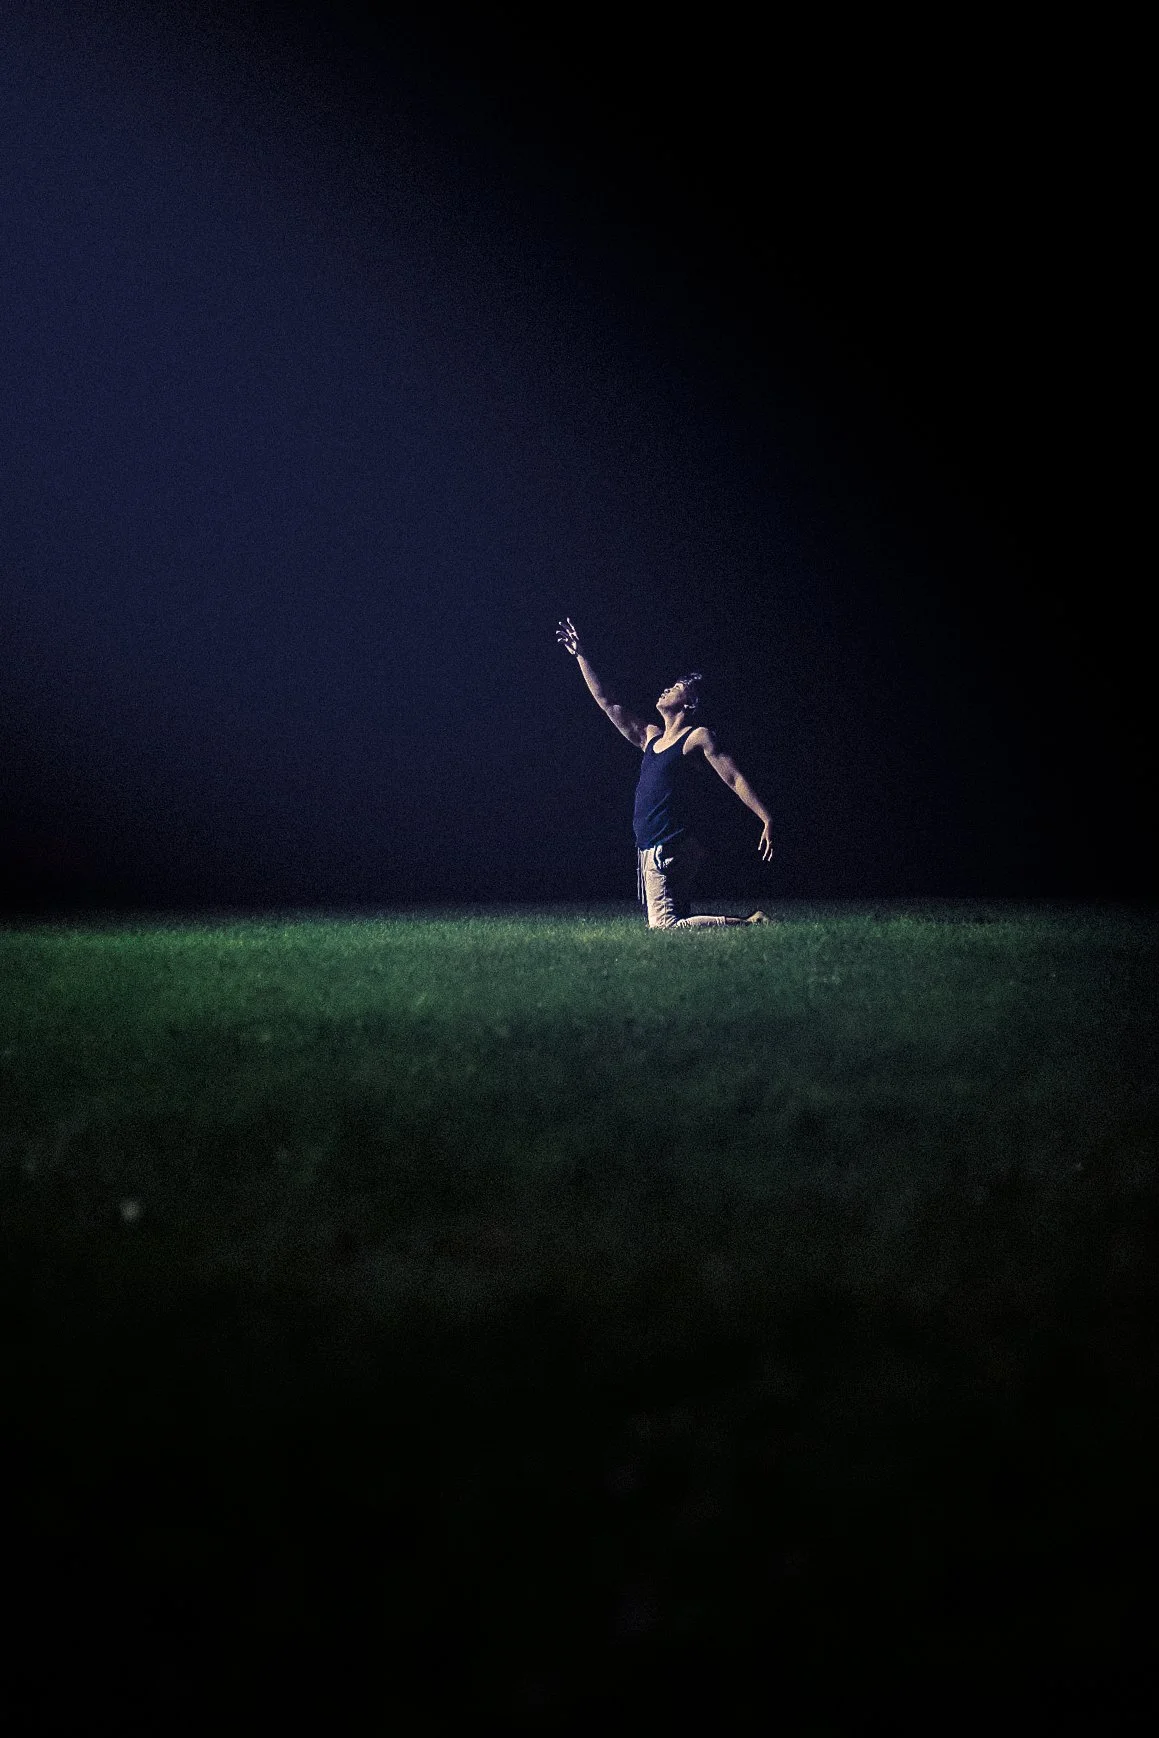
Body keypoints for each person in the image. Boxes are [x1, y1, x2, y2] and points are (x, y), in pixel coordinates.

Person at [556, 618, 774, 928]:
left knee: (665, 926)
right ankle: (743, 925)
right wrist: (581, 655)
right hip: (659, 845)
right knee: (678, 918)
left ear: (689, 703)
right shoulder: (650, 737)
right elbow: (608, 703)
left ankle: (751, 923)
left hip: (669, 844)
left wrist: (766, 818)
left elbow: (733, 777)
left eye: (675, 689)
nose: (666, 690)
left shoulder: (697, 737)